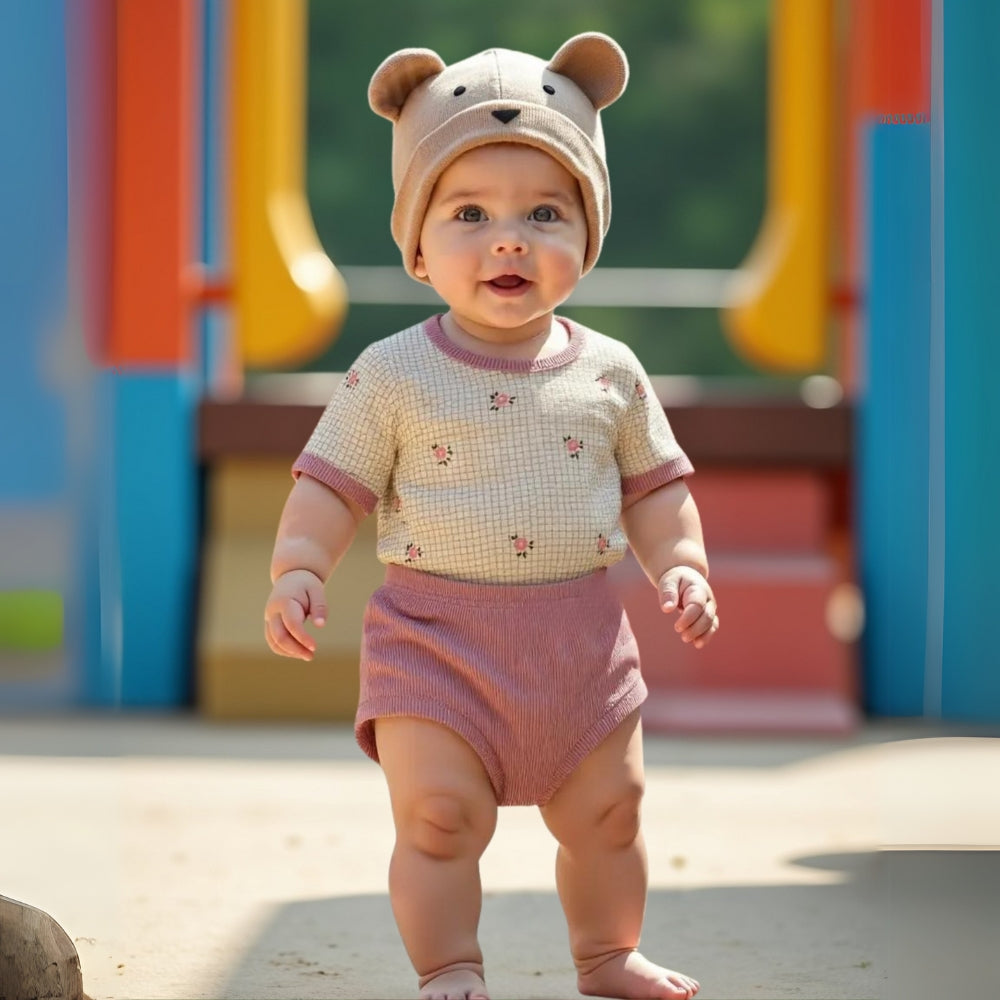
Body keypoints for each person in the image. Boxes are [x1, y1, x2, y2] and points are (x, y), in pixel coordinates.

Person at [264, 32, 718, 1000]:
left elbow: (654, 488)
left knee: (612, 813)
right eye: (468, 213)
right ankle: (451, 969)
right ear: (418, 248)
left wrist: (681, 563)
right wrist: (299, 565)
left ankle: (605, 956)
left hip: (580, 646)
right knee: (437, 817)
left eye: (544, 213)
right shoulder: (390, 371)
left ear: (585, 241)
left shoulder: (610, 371)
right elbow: (331, 483)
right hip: (435, 640)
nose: (508, 237)